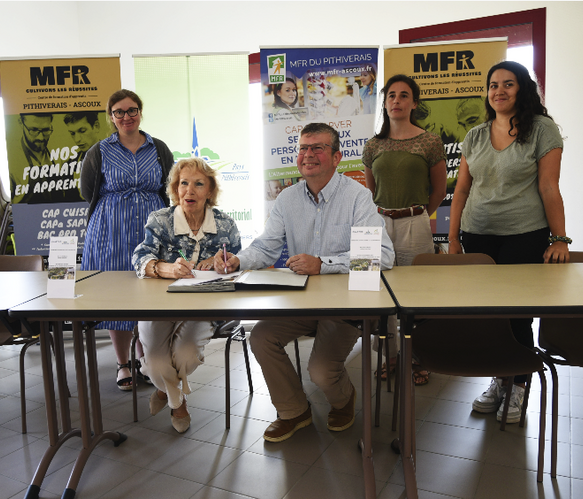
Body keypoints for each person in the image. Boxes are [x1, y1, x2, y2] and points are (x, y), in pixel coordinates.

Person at [214, 122, 395, 442]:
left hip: (344, 303)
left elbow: (380, 256)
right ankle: (293, 411)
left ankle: (343, 399)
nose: (307, 155)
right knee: (261, 338)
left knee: (321, 371)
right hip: (301, 300)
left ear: (337, 157)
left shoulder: (357, 197)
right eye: (302, 148)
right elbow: (266, 246)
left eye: (318, 148)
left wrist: (323, 264)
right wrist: (237, 260)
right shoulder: (287, 199)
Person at [448, 60, 569, 423]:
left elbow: (549, 187)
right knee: (490, 315)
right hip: (478, 234)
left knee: (518, 315)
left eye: (508, 84)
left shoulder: (542, 130)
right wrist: (453, 238)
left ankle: (519, 386)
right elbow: (462, 190)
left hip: (524, 234)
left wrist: (560, 238)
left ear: (523, 89)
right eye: (493, 85)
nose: (499, 90)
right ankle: (499, 379)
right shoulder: (476, 135)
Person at [131, 157, 242, 433]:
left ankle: (162, 390)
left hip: (203, 309)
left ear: (210, 192)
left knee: (186, 355)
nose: (189, 191)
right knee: (156, 361)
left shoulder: (225, 226)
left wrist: (225, 263)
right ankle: (177, 402)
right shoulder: (161, 220)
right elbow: (140, 256)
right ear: (175, 188)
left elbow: (239, 261)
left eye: (198, 184)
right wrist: (164, 268)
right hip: (159, 306)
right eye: (183, 184)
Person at [80, 89, 174, 391]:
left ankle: (145, 358)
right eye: (119, 112)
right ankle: (123, 363)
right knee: (115, 295)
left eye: (132, 110)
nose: (126, 117)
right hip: (110, 229)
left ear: (140, 112)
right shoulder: (99, 151)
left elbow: (170, 185)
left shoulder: (158, 148)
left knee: (147, 293)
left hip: (151, 228)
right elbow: (87, 190)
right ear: (111, 117)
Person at [362, 74, 446, 386]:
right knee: (377, 292)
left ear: (414, 102)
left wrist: (418, 216)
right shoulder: (373, 145)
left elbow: (438, 190)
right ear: (384, 103)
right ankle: (389, 355)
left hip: (416, 221)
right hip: (377, 224)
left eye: (403, 95)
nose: (397, 101)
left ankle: (417, 357)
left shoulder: (430, 141)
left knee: (416, 296)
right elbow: (371, 191)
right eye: (391, 96)